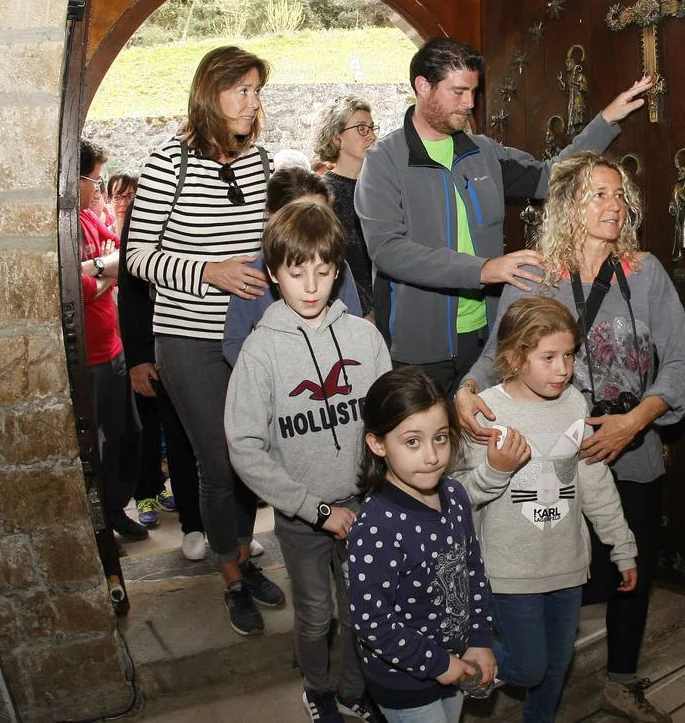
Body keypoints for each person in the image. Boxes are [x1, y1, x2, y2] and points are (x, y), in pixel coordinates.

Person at [456, 152, 685, 723]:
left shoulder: (645, 271)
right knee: (553, 573)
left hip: (631, 448)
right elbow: (496, 357)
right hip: (552, 457)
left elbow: (681, 362)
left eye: (619, 195)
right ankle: (515, 656)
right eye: (598, 195)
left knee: (631, 572)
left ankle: (620, 680)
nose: (614, 205)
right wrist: (465, 391)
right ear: (567, 205)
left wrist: (634, 422)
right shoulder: (538, 276)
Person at [355, 36, 653, 394]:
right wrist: (481, 270)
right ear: (423, 86)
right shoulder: (384, 161)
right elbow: (388, 250)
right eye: (458, 91)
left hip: (490, 338)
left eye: (474, 92)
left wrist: (605, 120)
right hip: (419, 348)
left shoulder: (482, 152)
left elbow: (550, 177)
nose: (469, 103)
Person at [123, 45, 285, 636]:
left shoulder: (259, 160)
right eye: (241, 90)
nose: (253, 102)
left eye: (257, 91)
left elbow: (265, 243)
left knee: (250, 457)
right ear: (209, 94)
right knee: (218, 461)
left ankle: (240, 551)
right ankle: (232, 580)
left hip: (251, 334)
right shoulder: (170, 161)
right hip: (187, 339)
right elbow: (137, 256)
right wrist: (208, 271)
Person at [226, 200, 390, 722]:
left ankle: (352, 690)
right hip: (301, 517)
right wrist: (315, 510)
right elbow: (245, 448)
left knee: (362, 612)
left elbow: (389, 423)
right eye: (297, 273)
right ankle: (317, 689)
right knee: (317, 614)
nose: (312, 286)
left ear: (338, 270)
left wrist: (381, 493)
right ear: (274, 275)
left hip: (363, 507)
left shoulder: (365, 339)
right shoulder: (260, 352)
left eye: (323, 271)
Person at [453, 296, 637, 723]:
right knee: (526, 667)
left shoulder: (574, 403)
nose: (563, 369)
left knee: (556, 667)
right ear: (515, 358)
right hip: (509, 571)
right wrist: (496, 473)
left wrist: (621, 544)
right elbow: (456, 495)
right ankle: (453, 651)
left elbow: (593, 479)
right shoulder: (486, 412)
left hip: (567, 566)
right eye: (548, 357)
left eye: (569, 355)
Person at [348, 368, 497, 723]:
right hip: (404, 682)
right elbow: (372, 623)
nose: (431, 456)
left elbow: (472, 571)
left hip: (457, 661)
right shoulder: (376, 527)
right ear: (378, 443)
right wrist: (438, 663)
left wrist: (479, 638)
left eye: (441, 438)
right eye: (412, 441)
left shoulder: (456, 496)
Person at [116, 177, 208, 560]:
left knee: (233, 439)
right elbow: (132, 286)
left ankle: (234, 529)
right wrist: (138, 358)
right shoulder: (152, 202)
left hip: (222, 340)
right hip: (169, 341)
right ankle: (194, 526)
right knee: (182, 436)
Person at [222, 167, 364, 366]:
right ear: (272, 216)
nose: (311, 226)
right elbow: (234, 342)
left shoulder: (340, 268)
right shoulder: (251, 273)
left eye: (321, 214)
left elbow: (355, 327)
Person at [78, 139, 145, 542]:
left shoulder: (88, 217)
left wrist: (97, 269)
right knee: (99, 445)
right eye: (95, 181)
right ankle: (102, 524)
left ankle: (117, 507)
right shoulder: (64, 225)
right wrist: (106, 273)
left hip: (114, 347)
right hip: (91, 358)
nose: (98, 192)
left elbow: (125, 253)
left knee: (126, 435)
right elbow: (78, 289)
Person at [314, 94, 377, 318]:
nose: (371, 135)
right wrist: (364, 310)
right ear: (336, 139)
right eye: (361, 128)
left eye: (371, 128)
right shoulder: (322, 196)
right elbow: (326, 262)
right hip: (347, 312)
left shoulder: (381, 188)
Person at [108, 172, 138, 239]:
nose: (123, 203)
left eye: (130, 196)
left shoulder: (146, 236)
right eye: (117, 197)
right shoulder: (103, 236)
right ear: (110, 200)